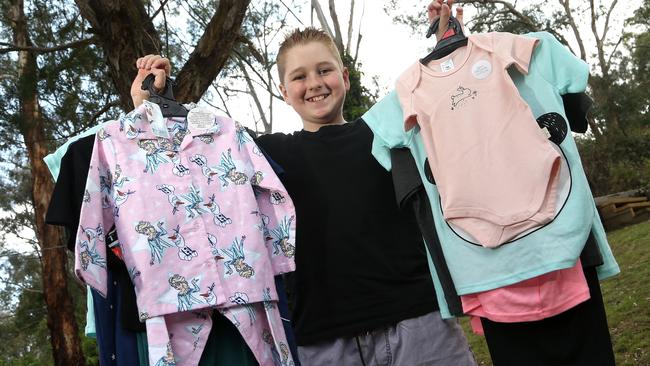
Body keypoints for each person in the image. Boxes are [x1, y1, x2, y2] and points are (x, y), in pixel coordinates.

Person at [130, 1, 477, 365]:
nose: (314, 83)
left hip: (418, 322)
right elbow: (193, 142)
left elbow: (443, 94)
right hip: (322, 340)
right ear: (284, 90)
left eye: (324, 70)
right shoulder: (264, 153)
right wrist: (153, 101)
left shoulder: (385, 129)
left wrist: (447, 35)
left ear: (344, 77)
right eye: (299, 76)